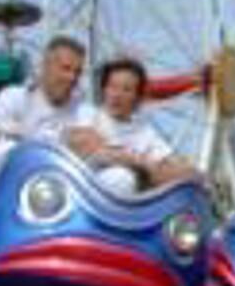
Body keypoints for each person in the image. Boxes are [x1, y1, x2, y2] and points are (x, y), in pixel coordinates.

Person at [64, 57, 197, 196]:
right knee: (121, 178)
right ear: (104, 90)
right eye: (112, 87)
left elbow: (186, 172)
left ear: (138, 97)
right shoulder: (87, 114)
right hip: (84, 196)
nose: (117, 95)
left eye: (126, 90)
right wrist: (141, 164)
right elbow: (86, 146)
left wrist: (146, 168)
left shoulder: (145, 133)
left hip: (129, 208)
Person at [0, 35, 88, 195]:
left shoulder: (83, 111)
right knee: (4, 149)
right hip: (13, 189)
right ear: (45, 66)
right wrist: (56, 138)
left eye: (77, 72)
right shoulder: (14, 97)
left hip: (62, 191)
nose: (72, 78)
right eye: (66, 69)